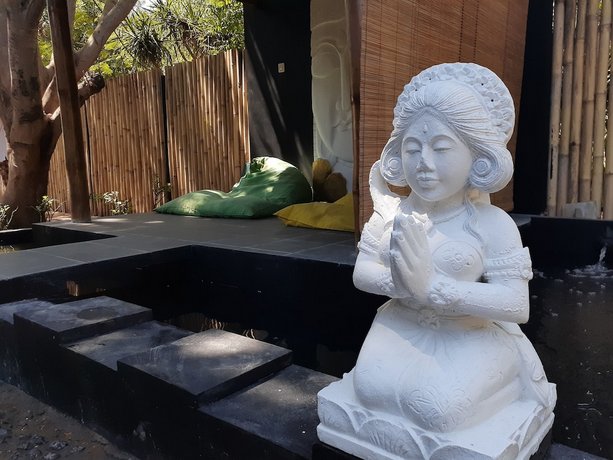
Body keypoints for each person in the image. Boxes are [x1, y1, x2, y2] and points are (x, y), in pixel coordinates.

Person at [317, 63, 555, 459]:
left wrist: (433, 288)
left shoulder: (492, 224)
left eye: (441, 149)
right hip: (401, 323)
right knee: (371, 391)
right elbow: (363, 273)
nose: (423, 162)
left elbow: (516, 304)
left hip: (468, 333)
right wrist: (402, 285)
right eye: (412, 149)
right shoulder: (392, 214)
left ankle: (511, 378)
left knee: (438, 412)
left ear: (477, 156)